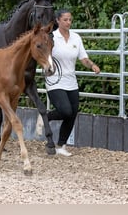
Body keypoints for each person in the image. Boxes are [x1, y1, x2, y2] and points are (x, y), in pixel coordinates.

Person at [43, 9, 100, 156]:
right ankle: (45, 117)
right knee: (65, 111)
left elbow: (83, 58)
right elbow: (42, 55)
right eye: (65, 20)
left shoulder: (76, 38)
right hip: (54, 80)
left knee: (72, 114)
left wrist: (92, 65)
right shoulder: (51, 37)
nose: (68, 22)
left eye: (70, 20)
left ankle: (61, 145)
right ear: (58, 21)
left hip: (71, 81)